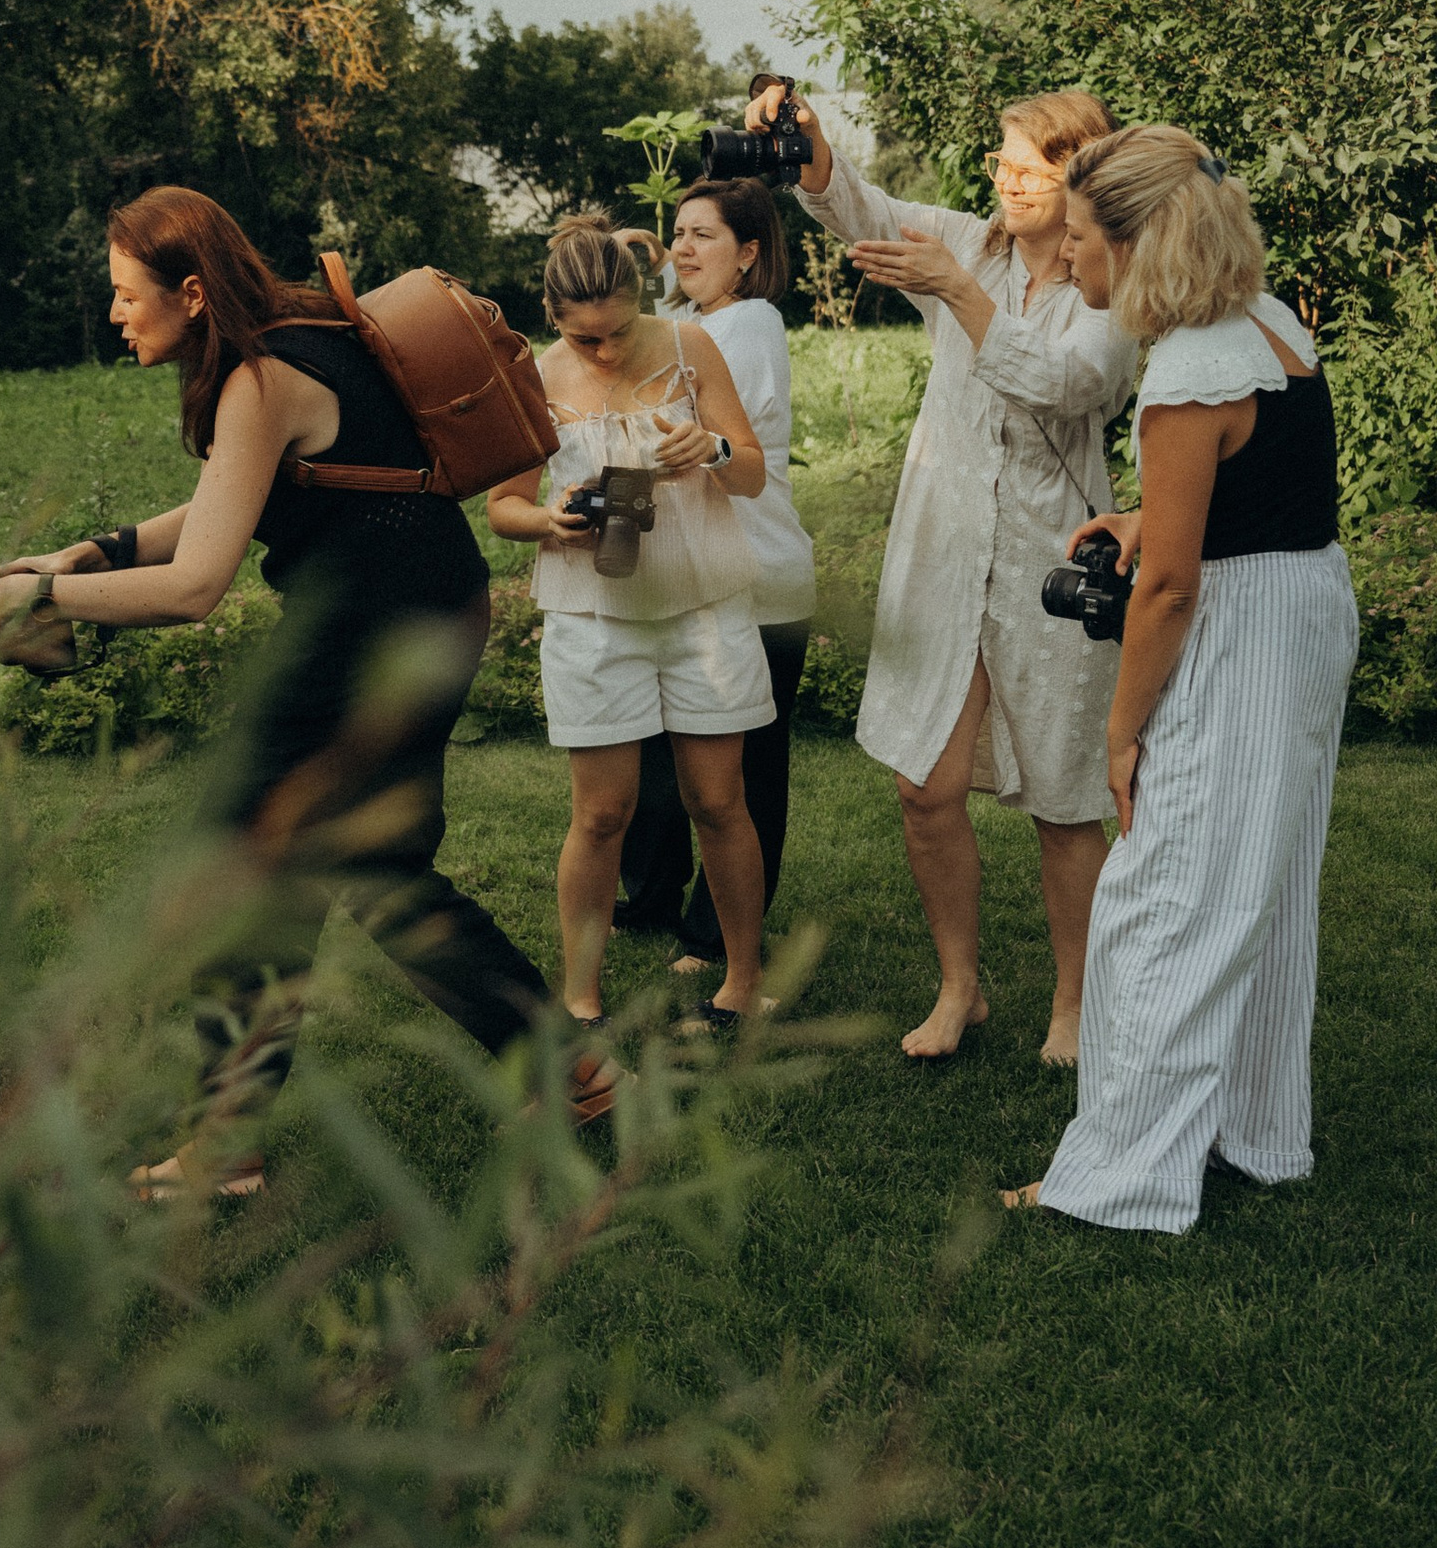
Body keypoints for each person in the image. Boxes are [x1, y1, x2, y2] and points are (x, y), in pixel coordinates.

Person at [0, 185, 609, 1194]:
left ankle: (229, 1142)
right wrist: (89, 552)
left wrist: (45, 596)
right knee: (363, 868)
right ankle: (559, 1065)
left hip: (365, 646)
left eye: (127, 294)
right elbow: (234, 490)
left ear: (189, 292)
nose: (113, 313)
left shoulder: (258, 377)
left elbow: (193, 589)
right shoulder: (300, 335)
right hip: (422, 617)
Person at [1006, 131, 1358, 1234]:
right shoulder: (1265, 326)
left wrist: (1123, 732)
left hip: (1242, 632)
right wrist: (1134, 518)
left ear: (1133, 239)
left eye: (1075, 240)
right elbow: (1243, 504)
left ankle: (1120, 1176)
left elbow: (1168, 590)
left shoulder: (1190, 368)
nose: (1064, 262)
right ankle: (1248, 1131)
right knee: (1258, 883)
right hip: (1299, 608)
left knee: (1157, 902)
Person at [757, 79, 1137, 1062]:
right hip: (941, 543)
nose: (1000, 179)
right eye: (998, 162)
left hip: (1052, 557)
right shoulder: (966, 241)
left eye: (1022, 166)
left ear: (1075, 176)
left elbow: (1066, 384)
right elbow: (857, 206)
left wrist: (956, 294)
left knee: (1063, 799)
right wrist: (796, 127)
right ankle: (958, 987)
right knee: (922, 788)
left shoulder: (1110, 280)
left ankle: (1072, 1004)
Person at [485, 216, 774, 1031]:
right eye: (585, 340)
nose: (605, 352)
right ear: (552, 315)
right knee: (601, 814)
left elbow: (751, 473)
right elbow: (500, 508)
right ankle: (580, 998)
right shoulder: (532, 379)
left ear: (641, 300)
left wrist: (712, 449)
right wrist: (548, 522)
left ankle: (742, 981)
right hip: (593, 614)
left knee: (718, 801)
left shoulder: (691, 349)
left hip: (703, 606)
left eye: (617, 331)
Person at [613, 174, 819, 977]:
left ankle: (716, 932)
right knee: (665, 752)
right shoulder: (686, 325)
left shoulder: (749, 324)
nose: (683, 247)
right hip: (689, 577)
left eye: (703, 234)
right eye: (677, 232)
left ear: (749, 254)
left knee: (747, 771)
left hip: (760, 581)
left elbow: (671, 419)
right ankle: (657, 895)